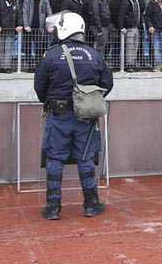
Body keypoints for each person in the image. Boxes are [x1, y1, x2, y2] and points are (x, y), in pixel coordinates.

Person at [34, 11, 113, 219]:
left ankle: (53, 207)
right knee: (85, 157)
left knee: (55, 158)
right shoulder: (93, 54)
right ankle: (91, 203)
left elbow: (39, 86)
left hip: (58, 115)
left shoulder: (51, 54)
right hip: (85, 116)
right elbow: (107, 83)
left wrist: (50, 102)